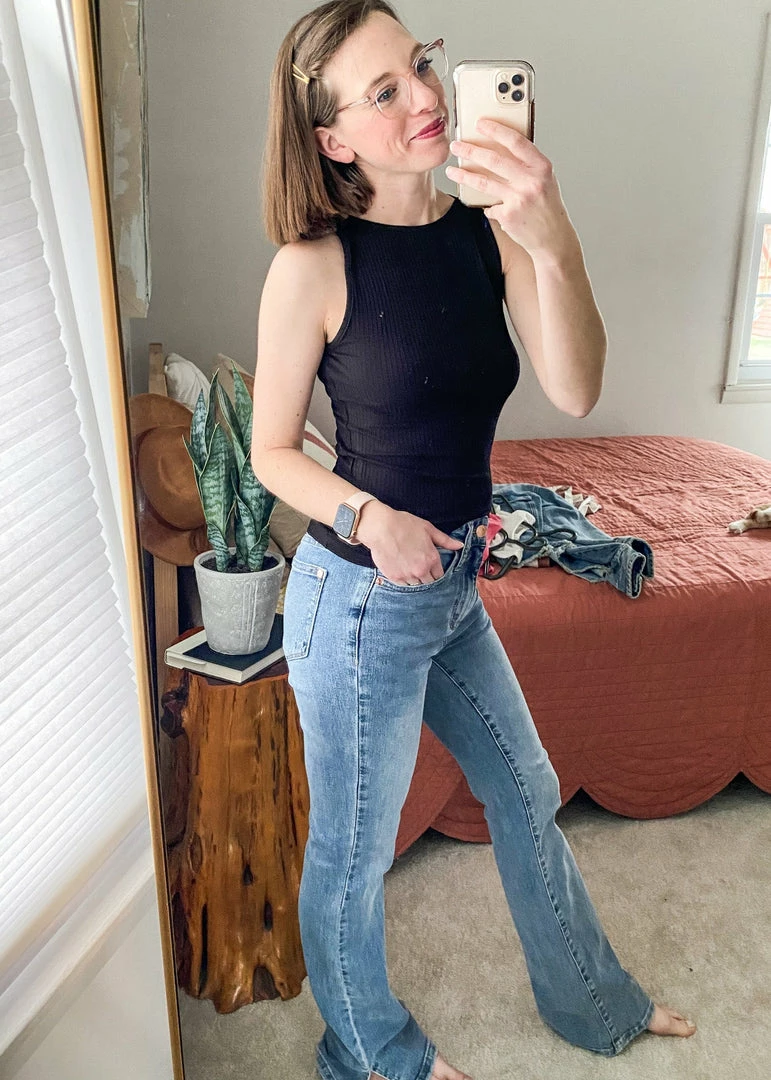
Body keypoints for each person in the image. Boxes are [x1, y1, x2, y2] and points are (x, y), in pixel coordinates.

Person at [251, 3, 697, 1079]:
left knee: (525, 788)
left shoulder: (486, 232)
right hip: (358, 603)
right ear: (333, 139)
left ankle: (594, 1003)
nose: (424, 97)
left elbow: (577, 390)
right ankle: (371, 1055)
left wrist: (554, 235)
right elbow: (269, 452)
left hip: (454, 584)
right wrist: (369, 517)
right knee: (352, 854)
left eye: (419, 65)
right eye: (384, 91)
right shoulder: (312, 266)